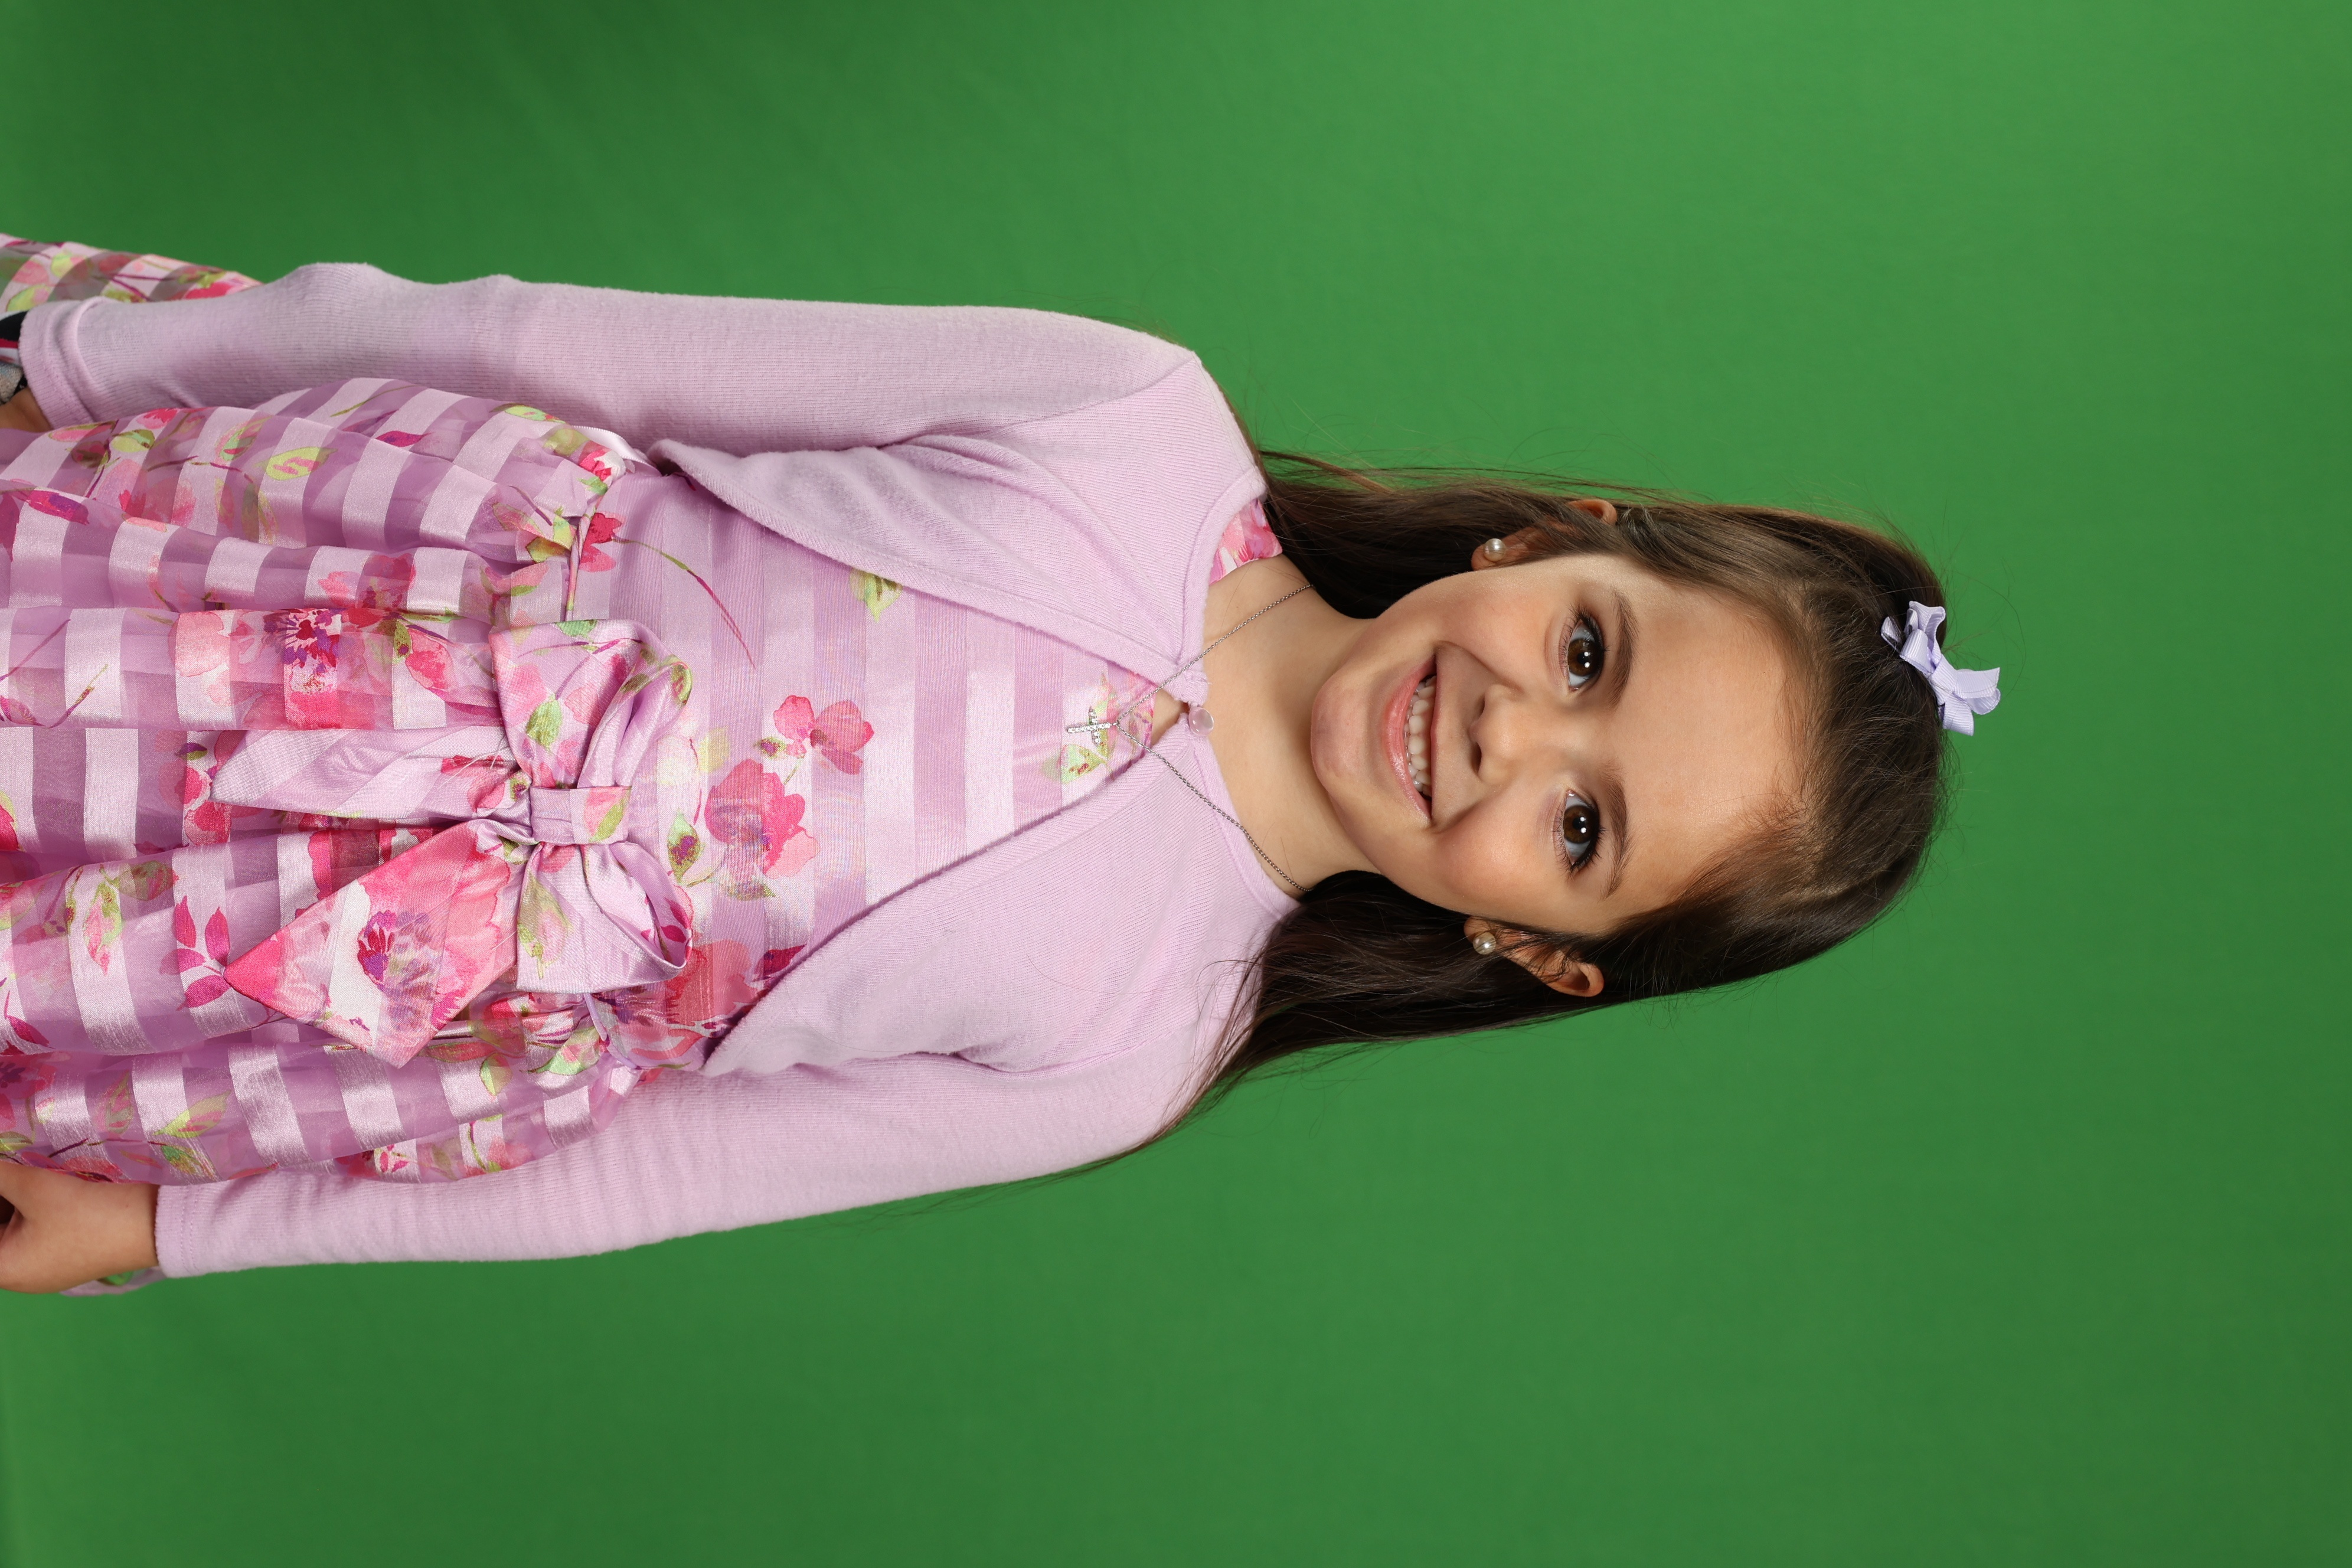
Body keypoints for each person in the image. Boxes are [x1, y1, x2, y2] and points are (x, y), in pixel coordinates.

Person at [0, 237, 1998, 1294]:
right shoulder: (1127, 418)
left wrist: (173, 1231)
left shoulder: (1127, 1048)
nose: (1509, 732)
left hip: (244, 957)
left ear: (1546, 951)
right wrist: (82, 363)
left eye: (1581, 823)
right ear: (1556, 539)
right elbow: (553, 344)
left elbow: (635, 1180)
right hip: (246, 567)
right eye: (1587, 655)